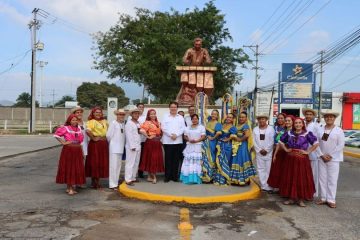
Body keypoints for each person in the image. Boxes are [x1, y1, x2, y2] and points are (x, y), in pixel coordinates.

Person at [278, 117, 319, 207]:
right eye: (296, 123)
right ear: (293, 124)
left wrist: (308, 151)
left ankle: (301, 199)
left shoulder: (307, 133)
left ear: (302, 124)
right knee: (290, 177)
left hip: (302, 160)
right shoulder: (289, 133)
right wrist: (286, 149)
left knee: (301, 178)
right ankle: (291, 198)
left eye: (300, 123)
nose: (298, 124)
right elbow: (280, 141)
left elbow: (316, 143)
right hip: (290, 160)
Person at [316, 111, 344, 209]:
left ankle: (331, 199)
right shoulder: (320, 130)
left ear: (334, 118)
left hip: (334, 159)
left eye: (331, 117)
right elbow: (316, 143)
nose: (329, 118)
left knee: (332, 179)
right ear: (324, 118)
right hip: (322, 158)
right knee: (322, 179)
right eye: (327, 117)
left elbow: (340, 145)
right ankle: (323, 198)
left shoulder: (339, 130)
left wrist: (331, 155)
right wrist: (321, 155)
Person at [54, 114, 85, 195]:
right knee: (70, 168)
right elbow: (56, 135)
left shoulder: (78, 128)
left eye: (76, 120)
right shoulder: (66, 128)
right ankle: (71, 188)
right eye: (73, 120)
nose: (74, 121)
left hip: (77, 149)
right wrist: (63, 142)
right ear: (69, 121)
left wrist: (82, 152)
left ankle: (69, 187)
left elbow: (81, 141)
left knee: (75, 168)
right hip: (69, 149)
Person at [161, 101, 186, 182]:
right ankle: (167, 176)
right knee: (168, 159)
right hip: (167, 141)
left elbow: (183, 128)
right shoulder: (165, 116)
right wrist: (170, 135)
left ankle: (174, 176)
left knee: (176, 160)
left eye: (175, 107)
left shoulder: (180, 117)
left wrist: (177, 135)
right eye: (172, 107)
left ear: (177, 108)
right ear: (169, 108)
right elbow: (163, 127)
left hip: (178, 141)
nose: (173, 108)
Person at [230, 112, 257, 186]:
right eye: (240, 117)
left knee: (241, 160)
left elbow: (247, 135)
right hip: (236, 146)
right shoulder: (237, 125)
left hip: (243, 146)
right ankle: (236, 179)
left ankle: (244, 180)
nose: (241, 118)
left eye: (243, 117)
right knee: (236, 160)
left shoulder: (245, 126)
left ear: (246, 118)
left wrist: (238, 139)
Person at [85, 107, 109, 189]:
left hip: (104, 144)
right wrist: (93, 138)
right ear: (93, 113)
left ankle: (96, 180)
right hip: (95, 144)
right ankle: (95, 181)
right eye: (96, 112)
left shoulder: (105, 121)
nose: (98, 114)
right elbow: (88, 131)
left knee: (102, 161)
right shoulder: (91, 122)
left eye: (100, 112)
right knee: (95, 161)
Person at [139, 109, 164, 184]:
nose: (153, 115)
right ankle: (154, 177)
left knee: (154, 159)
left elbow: (160, 132)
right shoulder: (147, 122)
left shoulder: (158, 122)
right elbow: (141, 130)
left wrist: (160, 137)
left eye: (154, 114)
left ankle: (149, 176)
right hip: (150, 143)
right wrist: (148, 136)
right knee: (152, 158)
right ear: (148, 115)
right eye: (151, 114)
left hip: (157, 143)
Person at [270, 115, 294, 191]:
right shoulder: (282, 130)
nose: (287, 122)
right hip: (281, 152)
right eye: (279, 118)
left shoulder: (295, 130)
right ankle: (280, 187)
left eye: (288, 121)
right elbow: (279, 141)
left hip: (291, 153)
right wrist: (275, 154)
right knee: (280, 170)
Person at [180, 114, 206, 184]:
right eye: (193, 119)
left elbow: (203, 136)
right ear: (191, 120)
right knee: (189, 162)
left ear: (198, 120)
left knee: (197, 163)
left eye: (196, 119)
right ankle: (188, 178)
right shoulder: (187, 127)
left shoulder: (201, 127)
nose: (194, 120)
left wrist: (196, 141)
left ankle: (197, 179)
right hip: (189, 146)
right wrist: (189, 140)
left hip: (198, 146)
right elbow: (185, 136)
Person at [253, 115, 275, 192]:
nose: (261, 120)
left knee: (268, 169)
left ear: (266, 120)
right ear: (258, 120)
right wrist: (259, 150)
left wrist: (266, 150)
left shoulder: (271, 129)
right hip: (259, 153)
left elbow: (272, 140)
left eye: (263, 119)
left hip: (268, 152)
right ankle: (263, 186)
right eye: (260, 119)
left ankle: (269, 186)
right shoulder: (255, 129)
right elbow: (254, 141)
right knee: (260, 169)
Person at [213, 113, 237, 185]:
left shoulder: (233, 127)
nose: (228, 119)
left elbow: (234, 135)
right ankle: (219, 178)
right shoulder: (222, 125)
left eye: (230, 117)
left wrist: (228, 139)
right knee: (219, 161)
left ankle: (225, 179)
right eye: (227, 117)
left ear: (233, 119)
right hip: (220, 145)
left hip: (227, 146)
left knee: (226, 161)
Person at [106, 109, 126, 190]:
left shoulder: (123, 124)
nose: (121, 116)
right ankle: (112, 184)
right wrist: (112, 143)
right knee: (113, 166)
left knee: (118, 166)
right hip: (114, 148)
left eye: (122, 114)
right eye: (119, 114)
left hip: (120, 148)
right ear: (117, 115)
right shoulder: (113, 123)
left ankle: (116, 182)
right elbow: (108, 136)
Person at [302, 108, 320, 196]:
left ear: (313, 116)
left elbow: (318, 141)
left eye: (310, 114)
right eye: (307, 114)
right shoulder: (302, 125)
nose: (308, 116)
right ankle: (304, 191)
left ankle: (313, 193)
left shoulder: (316, 126)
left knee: (313, 174)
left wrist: (320, 154)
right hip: (302, 153)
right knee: (303, 174)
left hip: (313, 153)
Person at [267, 113, 286, 191]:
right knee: (275, 169)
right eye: (278, 118)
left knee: (284, 169)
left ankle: (283, 187)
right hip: (275, 150)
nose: (280, 120)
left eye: (282, 118)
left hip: (284, 151)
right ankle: (276, 186)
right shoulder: (275, 128)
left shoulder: (287, 128)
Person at [202, 110, 221, 183]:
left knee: (211, 158)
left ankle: (211, 177)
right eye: (212, 114)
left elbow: (218, 133)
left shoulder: (218, 124)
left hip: (213, 142)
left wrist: (213, 138)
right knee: (206, 158)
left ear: (217, 115)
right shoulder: (209, 121)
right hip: (206, 141)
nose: (213, 115)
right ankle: (206, 176)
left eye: (215, 114)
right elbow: (205, 111)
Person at [124, 107, 142, 186]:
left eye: (138, 113)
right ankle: (128, 179)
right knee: (130, 163)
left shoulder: (138, 123)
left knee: (136, 162)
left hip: (138, 145)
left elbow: (139, 134)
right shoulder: (129, 123)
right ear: (131, 114)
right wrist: (132, 146)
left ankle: (133, 177)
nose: (137, 115)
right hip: (132, 146)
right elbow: (129, 135)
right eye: (135, 113)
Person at [71, 106, 87, 189]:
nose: (79, 113)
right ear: (74, 114)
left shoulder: (84, 123)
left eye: (80, 112)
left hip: (84, 147)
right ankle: (72, 183)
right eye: (77, 112)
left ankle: (79, 182)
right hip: (76, 147)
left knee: (81, 165)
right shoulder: (72, 124)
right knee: (74, 165)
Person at [136, 103, 147, 179]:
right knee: (136, 158)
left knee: (142, 157)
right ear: (137, 107)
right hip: (136, 141)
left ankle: (141, 172)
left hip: (144, 140)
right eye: (139, 107)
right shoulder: (132, 117)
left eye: (142, 107)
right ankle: (134, 173)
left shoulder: (146, 117)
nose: (141, 108)